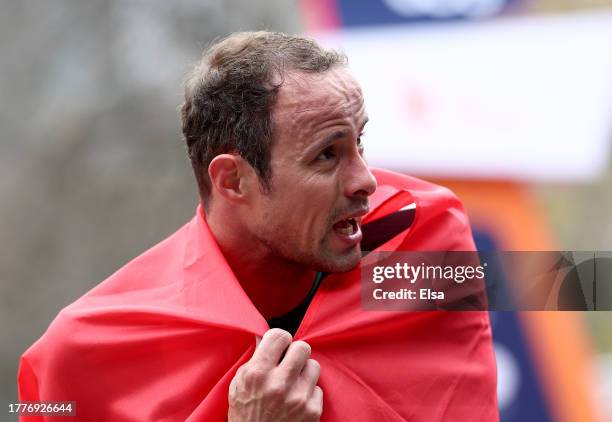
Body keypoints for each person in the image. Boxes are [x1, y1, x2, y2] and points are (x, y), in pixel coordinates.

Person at [18, 31, 497, 421]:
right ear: (234, 181)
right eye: (327, 155)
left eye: (360, 142)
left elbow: (538, 283)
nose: (366, 181)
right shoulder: (87, 351)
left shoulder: (418, 236)